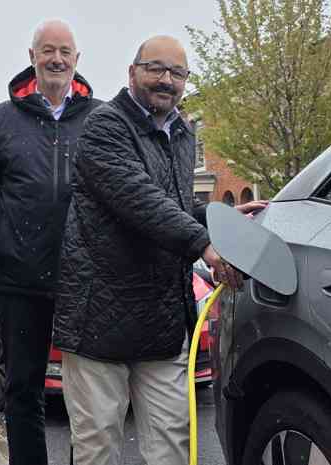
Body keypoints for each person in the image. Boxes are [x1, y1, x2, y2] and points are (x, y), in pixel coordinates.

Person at [53, 35, 266, 465]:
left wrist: (215, 218)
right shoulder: (104, 126)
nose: (166, 80)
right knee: (97, 449)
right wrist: (202, 243)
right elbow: (136, 197)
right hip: (98, 321)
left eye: (177, 73)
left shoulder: (182, 133)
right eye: (155, 69)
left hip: (162, 322)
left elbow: (167, 201)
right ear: (132, 73)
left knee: (171, 446)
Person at [0, 19, 101, 465]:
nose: (56, 59)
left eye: (65, 51)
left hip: (83, 278)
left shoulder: (100, 117)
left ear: (76, 60)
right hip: (20, 279)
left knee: (86, 394)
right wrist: (5, 245)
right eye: (47, 50)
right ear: (32, 56)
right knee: (23, 389)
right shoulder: (3, 117)